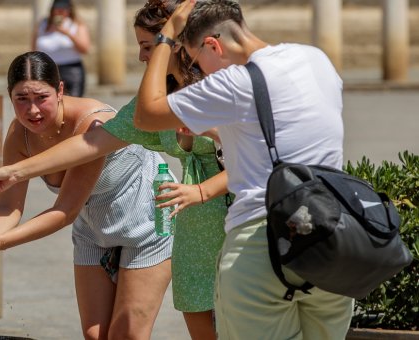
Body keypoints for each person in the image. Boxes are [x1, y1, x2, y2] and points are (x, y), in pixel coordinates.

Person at [0, 2, 229, 339]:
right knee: (102, 335)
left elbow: (67, 202)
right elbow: (90, 145)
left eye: (147, 48)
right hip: (158, 224)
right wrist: (10, 186)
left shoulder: (219, 89)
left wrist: (201, 189)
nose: (141, 58)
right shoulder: (148, 109)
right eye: (21, 99)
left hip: (168, 220)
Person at [134, 0, 354, 339]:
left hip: (261, 242)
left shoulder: (233, 83)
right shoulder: (315, 59)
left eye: (195, 60)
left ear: (213, 45)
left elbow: (146, 114)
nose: (200, 72)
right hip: (332, 238)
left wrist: (166, 37)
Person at [0, 51, 173, 340]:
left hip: (147, 222)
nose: (32, 110)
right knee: (95, 335)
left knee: (127, 334)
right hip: (94, 228)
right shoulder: (19, 134)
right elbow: (9, 204)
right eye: (22, 99)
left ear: (60, 90)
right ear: (10, 96)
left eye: (41, 98)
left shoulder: (90, 123)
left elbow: (65, 211)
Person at [33, 0, 90, 97]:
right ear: (52, 10)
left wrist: (67, 33)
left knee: (73, 102)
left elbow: (85, 49)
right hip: (47, 68)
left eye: (63, 10)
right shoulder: (43, 24)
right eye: (58, 9)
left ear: (69, 11)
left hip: (71, 70)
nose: (60, 12)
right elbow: (33, 49)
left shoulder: (76, 24)